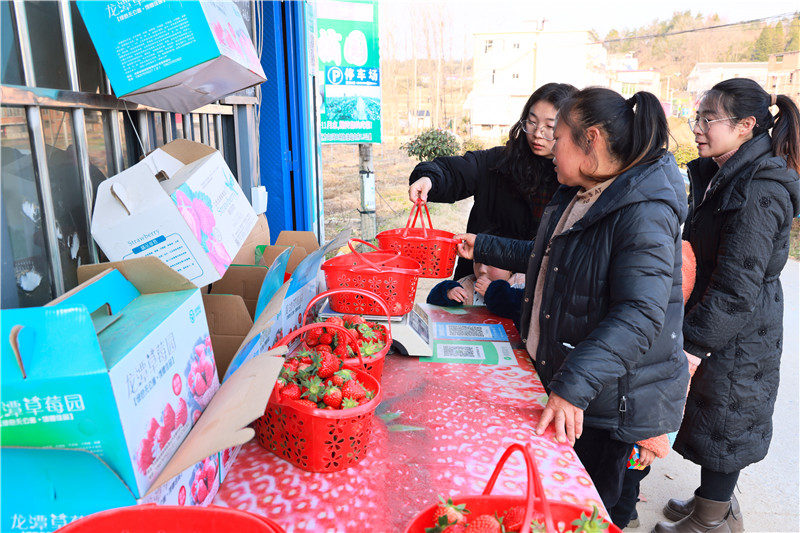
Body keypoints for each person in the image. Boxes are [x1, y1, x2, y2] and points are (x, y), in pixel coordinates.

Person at [455, 87, 690, 527]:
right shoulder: (583, 190)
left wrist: (572, 387)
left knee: (586, 511)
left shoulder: (644, 209)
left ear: (592, 140)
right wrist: (481, 246)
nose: (550, 148)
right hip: (579, 386)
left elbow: (640, 314)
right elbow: (551, 256)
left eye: (559, 137)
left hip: (606, 400)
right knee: (553, 502)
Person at [653, 80, 800, 533]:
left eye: (708, 119)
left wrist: (694, 343)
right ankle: (712, 503)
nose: (698, 127)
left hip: (739, 324)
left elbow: (739, 285)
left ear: (746, 126)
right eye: (698, 117)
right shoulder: (727, 170)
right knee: (713, 414)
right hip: (724, 315)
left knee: (727, 419)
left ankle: (712, 520)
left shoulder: (760, 188)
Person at [408, 82, 578, 280]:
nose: (537, 133)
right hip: (477, 285)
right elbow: (453, 171)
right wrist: (428, 178)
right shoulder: (500, 162)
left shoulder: (575, 181)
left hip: (540, 296)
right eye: (532, 122)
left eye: (550, 126)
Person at [609, 241, 698, 529]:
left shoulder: (675, 345)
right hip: (621, 422)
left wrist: (652, 440)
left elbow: (672, 397)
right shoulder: (639, 323)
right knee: (616, 477)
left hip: (645, 434)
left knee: (628, 481)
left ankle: (622, 519)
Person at [426, 258, 525, 308]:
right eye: (477, 261)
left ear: (511, 267)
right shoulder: (467, 285)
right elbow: (432, 305)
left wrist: (494, 293)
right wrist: (448, 292)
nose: (482, 269)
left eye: (491, 264)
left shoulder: (522, 286)